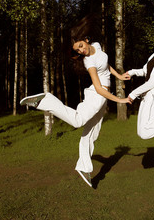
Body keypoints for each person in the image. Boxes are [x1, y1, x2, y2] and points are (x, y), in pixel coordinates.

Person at [20, 17, 131, 187]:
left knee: (93, 131)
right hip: (98, 94)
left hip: (103, 97)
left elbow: (106, 65)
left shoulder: (98, 47)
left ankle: (84, 167)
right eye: (78, 50)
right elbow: (100, 88)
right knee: (78, 120)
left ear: (86, 40)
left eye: (80, 46)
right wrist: (120, 100)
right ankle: (45, 100)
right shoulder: (89, 62)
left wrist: (119, 76)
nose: (81, 51)